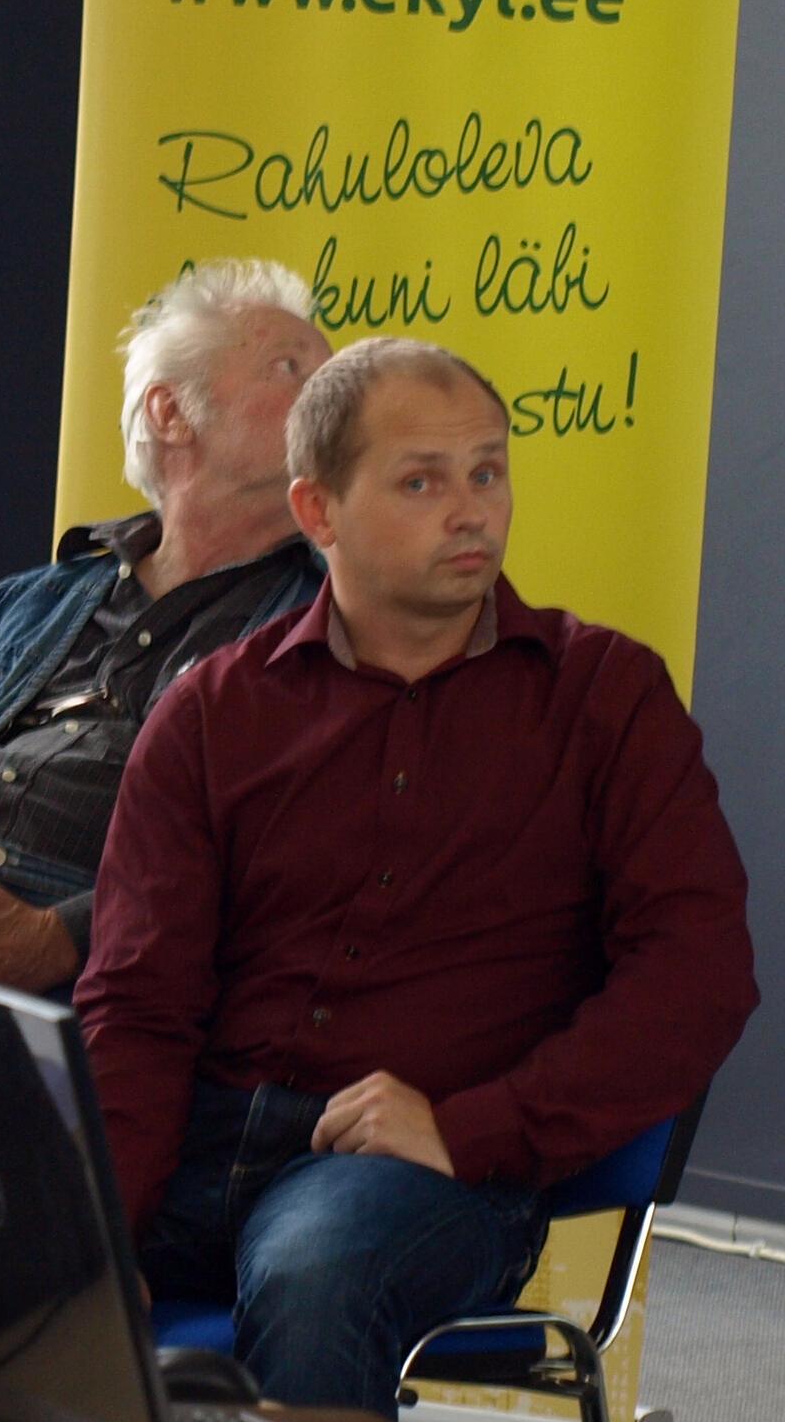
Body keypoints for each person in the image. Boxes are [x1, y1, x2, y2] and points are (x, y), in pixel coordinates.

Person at [77, 336, 759, 1418]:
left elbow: (699, 976)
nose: (471, 511)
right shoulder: (213, 712)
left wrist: (472, 1128)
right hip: (206, 1139)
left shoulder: (604, 697)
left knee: (317, 1269)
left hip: (424, 1172)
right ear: (318, 510)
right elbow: (137, 1002)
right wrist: (96, 1226)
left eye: (487, 472)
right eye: (421, 482)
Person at [0, 258, 330, 989]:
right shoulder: (32, 601)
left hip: (87, 986)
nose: (329, 393)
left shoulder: (314, 626)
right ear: (170, 412)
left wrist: (62, 939)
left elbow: (264, 875)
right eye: (290, 366)